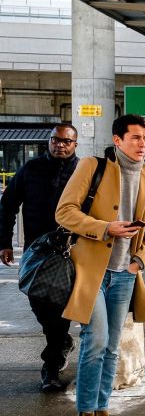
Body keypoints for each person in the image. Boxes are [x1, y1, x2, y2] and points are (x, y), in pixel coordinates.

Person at [55, 114, 145, 416]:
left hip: (125, 275)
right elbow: (64, 212)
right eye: (135, 137)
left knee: (113, 345)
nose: (142, 144)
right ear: (118, 140)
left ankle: (102, 407)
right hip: (90, 273)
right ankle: (86, 408)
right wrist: (106, 228)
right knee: (97, 340)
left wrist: (139, 261)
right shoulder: (93, 167)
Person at [0, 124, 80, 392]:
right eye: (55, 140)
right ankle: (61, 342)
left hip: (71, 252)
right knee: (40, 302)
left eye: (66, 142)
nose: (60, 145)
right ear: (49, 141)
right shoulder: (31, 170)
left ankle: (52, 366)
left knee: (59, 306)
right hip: (36, 251)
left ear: (74, 145)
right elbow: (8, 205)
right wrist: (5, 242)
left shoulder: (83, 172)